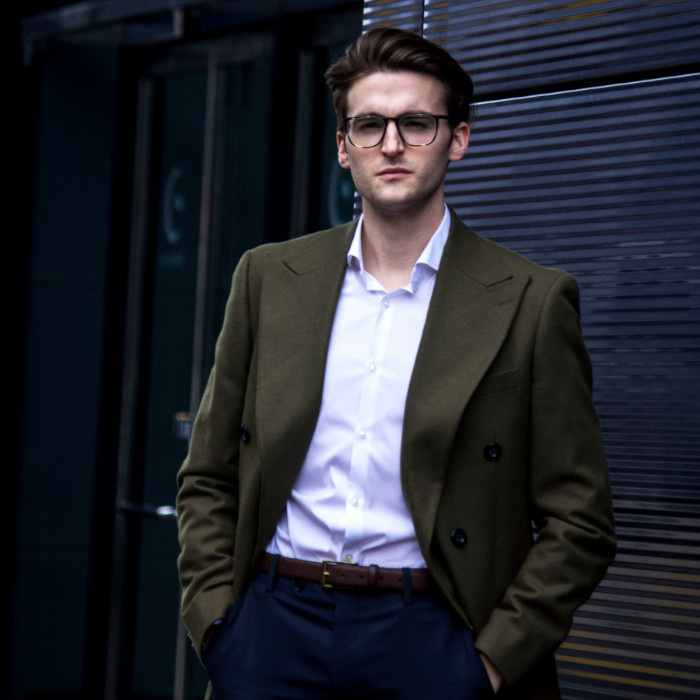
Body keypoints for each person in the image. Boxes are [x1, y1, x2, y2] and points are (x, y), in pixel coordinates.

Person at [176, 27, 616, 700]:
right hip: (271, 632)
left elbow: (580, 520)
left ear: (457, 139)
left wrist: (490, 663)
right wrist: (217, 626)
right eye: (369, 125)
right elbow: (208, 475)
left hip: (434, 636)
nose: (391, 144)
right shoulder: (267, 278)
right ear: (342, 148)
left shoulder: (531, 300)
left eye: (416, 123)